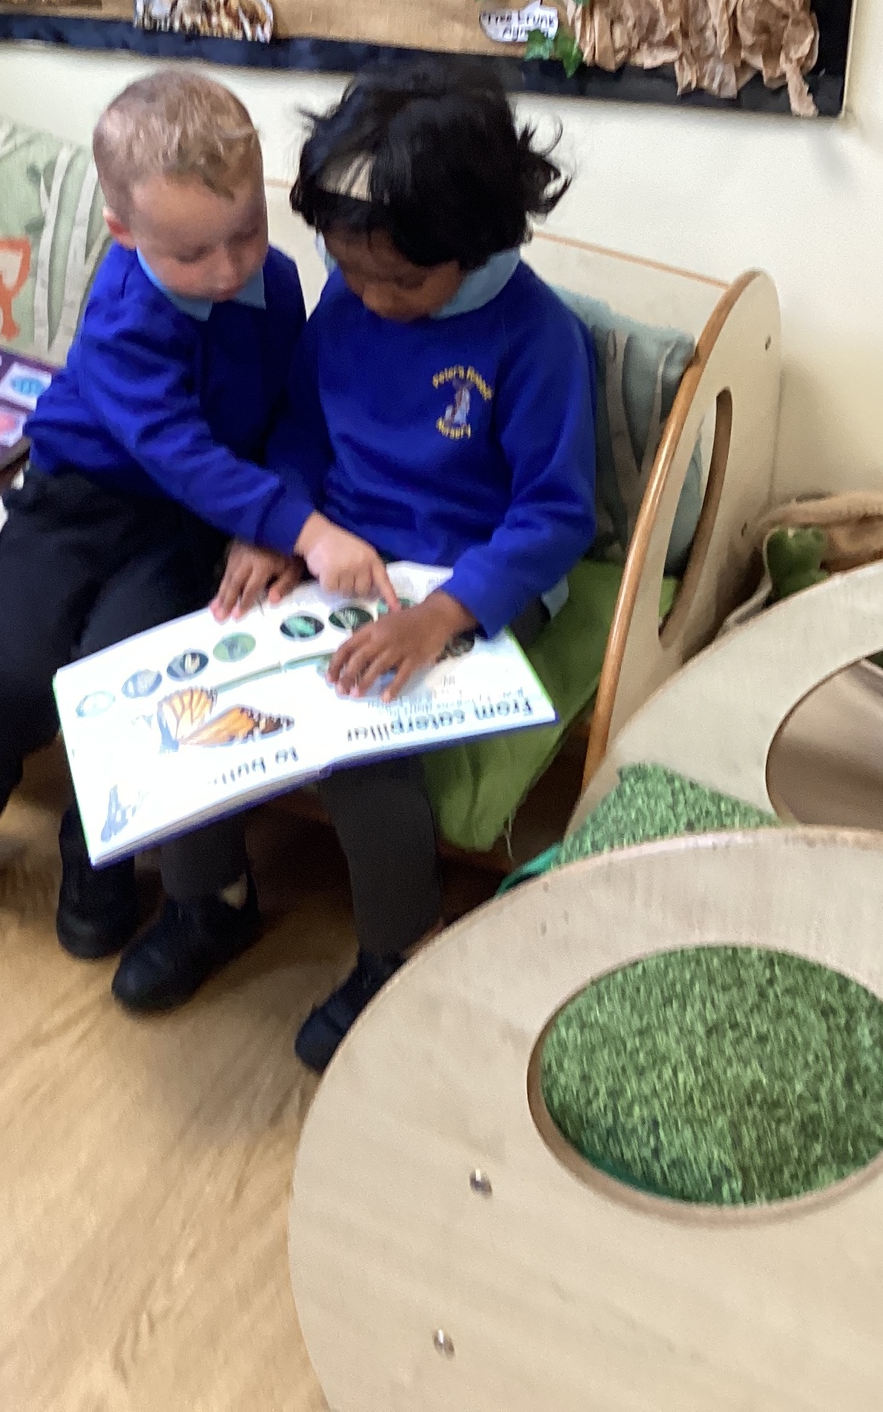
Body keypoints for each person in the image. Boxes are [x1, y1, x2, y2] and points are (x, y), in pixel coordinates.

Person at [0, 70, 390, 1009]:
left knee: (126, 681)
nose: (230, 267)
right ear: (123, 232)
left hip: (183, 524)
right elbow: (176, 448)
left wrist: (273, 521)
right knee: (11, 674)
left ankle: (100, 859)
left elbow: (288, 414)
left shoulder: (276, 283)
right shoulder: (126, 311)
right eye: (193, 252)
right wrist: (303, 527)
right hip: (77, 504)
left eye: (248, 231)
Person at [204, 64, 599, 1069]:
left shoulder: (537, 338)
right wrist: (280, 526)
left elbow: (556, 514)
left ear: (478, 245)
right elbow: (301, 430)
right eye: (350, 269)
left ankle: (396, 947)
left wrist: (444, 615)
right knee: (209, 663)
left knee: (362, 746)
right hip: (346, 551)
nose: (372, 299)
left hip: (473, 578)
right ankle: (209, 897)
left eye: (404, 283)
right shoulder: (349, 298)